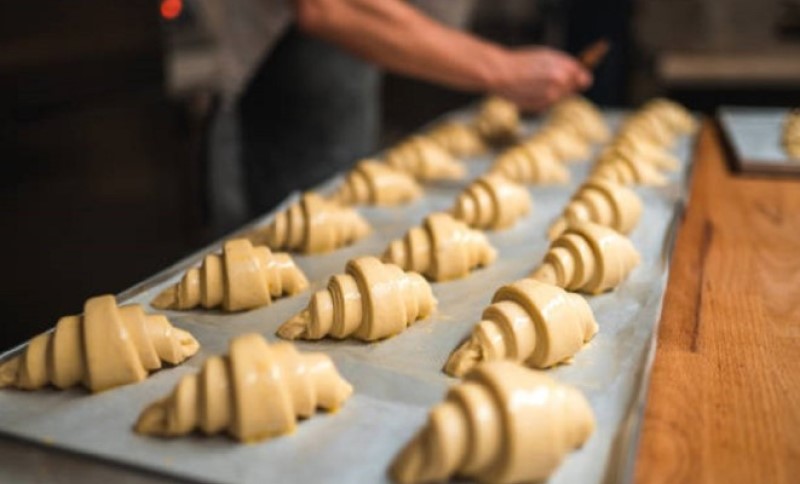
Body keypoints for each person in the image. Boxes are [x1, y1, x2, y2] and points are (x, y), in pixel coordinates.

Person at [203, 0, 592, 220]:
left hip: (342, 72)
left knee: (343, 215)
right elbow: (327, 6)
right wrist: (500, 67)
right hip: (273, 86)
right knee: (287, 234)